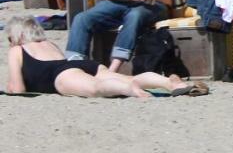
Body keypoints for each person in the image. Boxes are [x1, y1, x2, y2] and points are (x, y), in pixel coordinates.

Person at [7, 14, 200, 98]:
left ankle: (130, 90)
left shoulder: (17, 50)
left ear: (18, 35)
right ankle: (171, 83)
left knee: (95, 88)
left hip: (60, 76)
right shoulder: (49, 44)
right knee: (128, 77)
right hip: (82, 65)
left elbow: (18, 89)